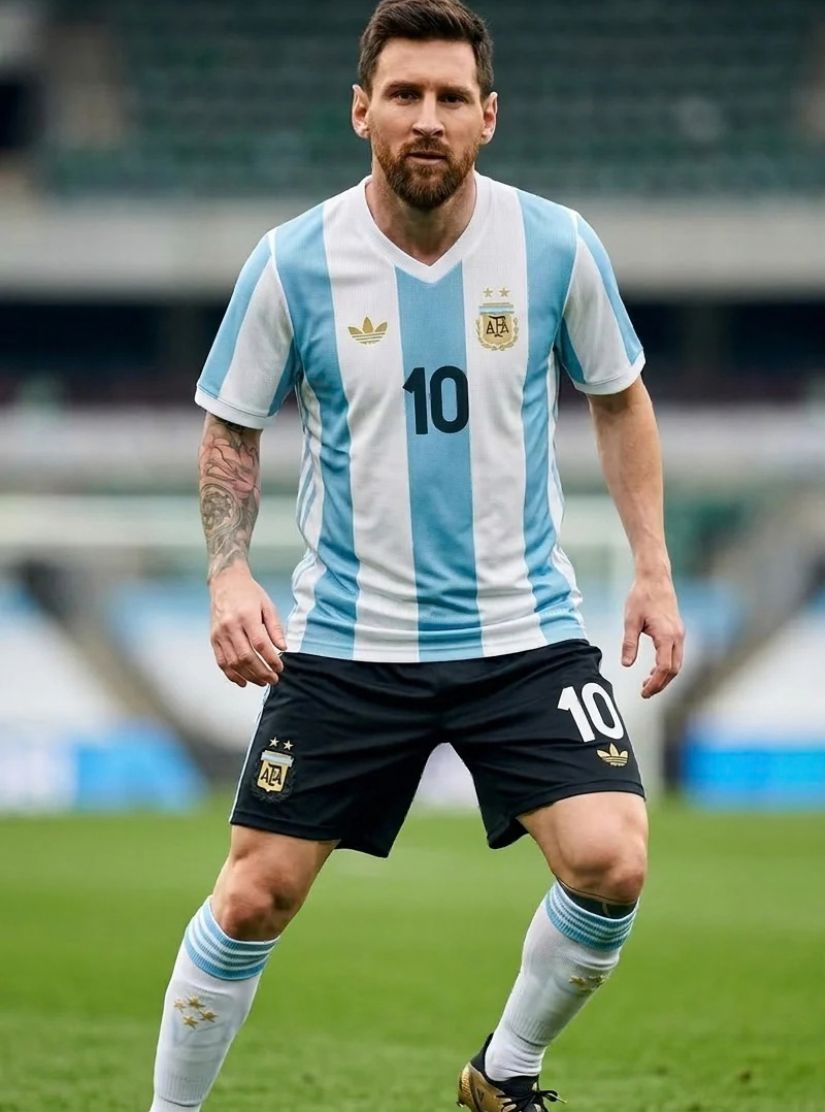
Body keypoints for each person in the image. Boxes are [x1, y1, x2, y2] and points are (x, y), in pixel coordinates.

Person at [147, 1, 685, 1109]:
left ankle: (505, 1071)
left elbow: (619, 395)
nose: (426, 118)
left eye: (449, 97)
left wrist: (652, 565)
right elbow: (230, 427)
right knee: (251, 896)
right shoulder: (292, 262)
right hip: (349, 641)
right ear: (362, 112)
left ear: (489, 116)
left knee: (612, 860)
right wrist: (228, 572)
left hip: (523, 633)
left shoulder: (554, 245)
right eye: (404, 94)